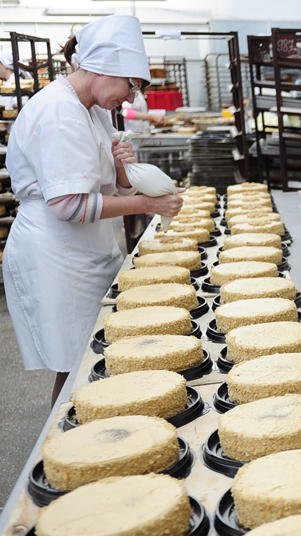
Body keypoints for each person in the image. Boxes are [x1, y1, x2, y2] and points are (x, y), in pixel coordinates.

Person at [2, 15, 183, 406]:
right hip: (57, 254)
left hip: (89, 247)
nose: (132, 99)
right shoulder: (58, 111)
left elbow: (109, 188)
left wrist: (122, 166)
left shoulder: (96, 110)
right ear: (103, 70)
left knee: (96, 358)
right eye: (131, 86)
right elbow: (68, 205)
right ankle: (63, 450)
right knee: (75, 368)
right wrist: (148, 204)